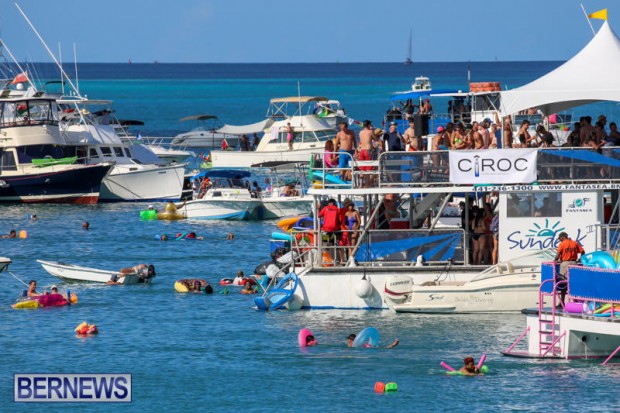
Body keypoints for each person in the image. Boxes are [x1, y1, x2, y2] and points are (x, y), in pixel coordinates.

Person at [554, 232, 585, 306]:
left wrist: (555, 260)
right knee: (574, 283)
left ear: (562, 237)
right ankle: (576, 301)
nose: (560, 240)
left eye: (560, 239)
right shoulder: (574, 243)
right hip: (574, 264)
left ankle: (562, 302)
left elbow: (558, 255)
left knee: (563, 283)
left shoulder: (562, 244)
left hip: (565, 264)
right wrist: (579, 259)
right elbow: (583, 251)